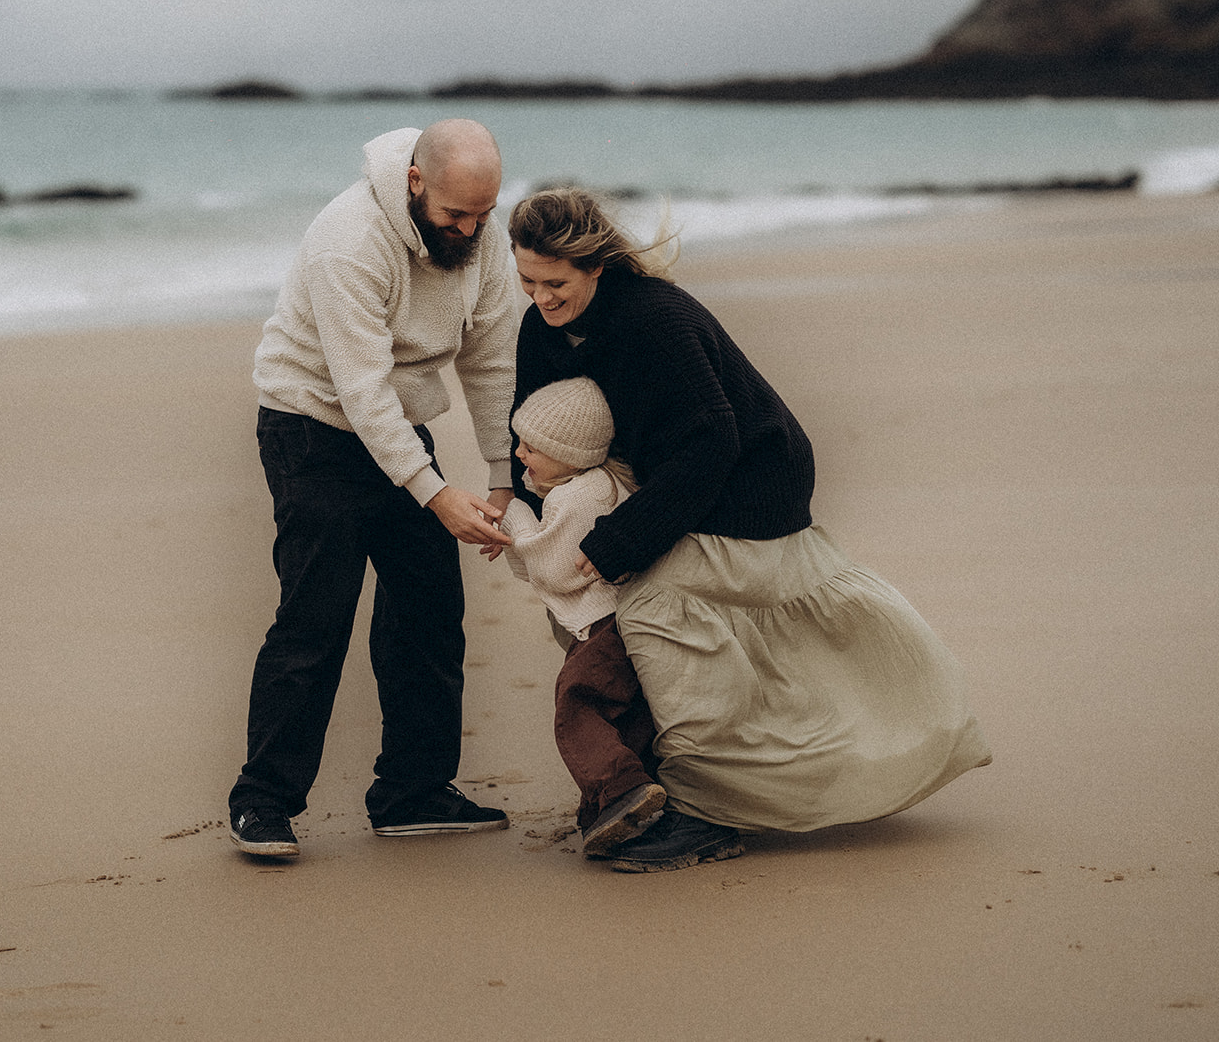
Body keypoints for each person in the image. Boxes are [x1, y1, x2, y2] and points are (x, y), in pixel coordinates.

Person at [508, 187, 992, 873]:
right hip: (661, 482)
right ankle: (638, 785)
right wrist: (522, 509)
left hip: (753, 487)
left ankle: (705, 811)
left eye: (554, 283)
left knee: (651, 606)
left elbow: (712, 442)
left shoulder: (656, 320)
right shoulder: (540, 328)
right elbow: (526, 419)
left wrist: (624, 539)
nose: (540, 298)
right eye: (527, 281)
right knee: (596, 609)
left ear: (596, 266)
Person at [228, 119, 520, 858]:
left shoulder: (478, 236)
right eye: (456, 214)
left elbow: (490, 357)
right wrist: (436, 494)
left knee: (430, 610)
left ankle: (412, 793)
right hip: (311, 426)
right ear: (416, 182)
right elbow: (360, 391)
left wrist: (502, 476)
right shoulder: (350, 240)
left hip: (398, 427)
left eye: (483, 213)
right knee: (316, 618)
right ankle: (262, 802)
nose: (471, 230)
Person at [497, 377, 669, 859]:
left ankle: (622, 790)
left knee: (578, 706)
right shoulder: (604, 484)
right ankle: (608, 813)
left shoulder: (576, 497)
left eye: (531, 448)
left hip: (603, 629)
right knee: (625, 717)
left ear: (569, 455)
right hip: (632, 622)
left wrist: (513, 516)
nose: (519, 453)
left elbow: (553, 570)